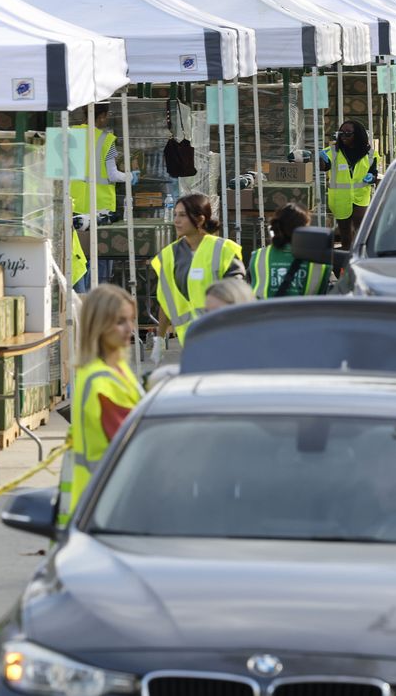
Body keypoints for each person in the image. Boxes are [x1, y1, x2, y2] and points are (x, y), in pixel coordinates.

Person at [59, 284, 143, 526]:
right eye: (120, 322)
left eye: (131, 320)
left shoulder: (114, 369)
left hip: (105, 498)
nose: (130, 329)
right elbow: (134, 445)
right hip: (111, 506)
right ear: (99, 325)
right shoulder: (101, 382)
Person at [151, 193, 245, 345]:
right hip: (189, 339)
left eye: (182, 215)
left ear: (200, 219)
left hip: (222, 336)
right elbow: (166, 300)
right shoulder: (169, 255)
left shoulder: (224, 250)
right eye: (175, 214)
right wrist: (160, 338)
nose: (176, 221)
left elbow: (238, 297)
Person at [71, 103, 139, 291]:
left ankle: (80, 297)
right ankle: (97, 294)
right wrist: (131, 176)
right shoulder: (106, 139)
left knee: (76, 254)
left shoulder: (66, 134)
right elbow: (112, 175)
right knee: (98, 254)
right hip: (98, 207)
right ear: (102, 116)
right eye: (107, 116)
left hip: (71, 204)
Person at [249, 204, 331, 298]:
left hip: (264, 312)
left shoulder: (258, 257)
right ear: (304, 229)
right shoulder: (321, 262)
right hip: (305, 312)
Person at [320, 120, 380, 247]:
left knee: (361, 228)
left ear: (358, 135)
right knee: (345, 234)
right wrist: (319, 159)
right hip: (340, 198)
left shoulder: (370, 153)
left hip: (360, 196)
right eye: (341, 133)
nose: (343, 137)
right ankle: (347, 261)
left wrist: (372, 177)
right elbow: (324, 167)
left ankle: (362, 255)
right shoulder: (333, 151)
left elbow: (374, 172)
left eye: (348, 134)